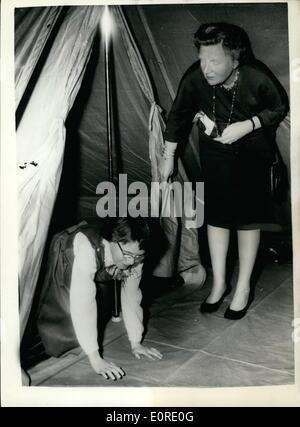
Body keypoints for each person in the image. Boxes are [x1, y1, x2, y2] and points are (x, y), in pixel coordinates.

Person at [159, 23, 289, 320]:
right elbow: (178, 115)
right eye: (202, 59)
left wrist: (250, 124)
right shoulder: (195, 76)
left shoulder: (256, 75)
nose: (206, 68)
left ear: (235, 59)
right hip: (215, 154)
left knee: (246, 221)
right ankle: (219, 284)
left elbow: (278, 106)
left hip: (253, 153)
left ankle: (242, 288)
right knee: (216, 218)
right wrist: (168, 156)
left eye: (214, 61)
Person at [37, 217, 162, 380]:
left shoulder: (134, 253)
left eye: (138, 257)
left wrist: (136, 342)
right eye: (128, 254)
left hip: (101, 261)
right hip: (66, 252)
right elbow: (83, 303)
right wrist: (95, 359)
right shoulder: (86, 247)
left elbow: (132, 296)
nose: (131, 261)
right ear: (112, 240)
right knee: (62, 329)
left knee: (98, 314)